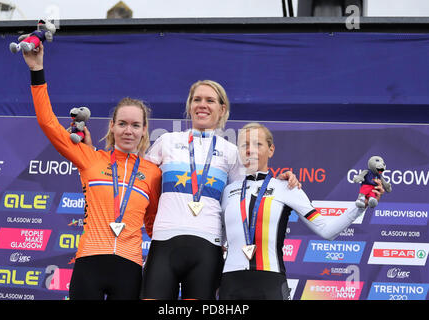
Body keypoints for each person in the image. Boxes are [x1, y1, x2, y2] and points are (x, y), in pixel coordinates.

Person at [22, 43, 162, 300]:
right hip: (89, 264)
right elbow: (47, 122)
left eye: (135, 125)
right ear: (112, 126)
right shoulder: (90, 158)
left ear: (144, 130)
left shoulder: (152, 173)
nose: (128, 131)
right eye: (122, 124)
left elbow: (155, 227)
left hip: (130, 267)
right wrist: (37, 69)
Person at [140, 81, 300, 300]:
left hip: (208, 248)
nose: (202, 105)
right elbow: (140, 183)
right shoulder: (166, 141)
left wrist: (282, 181)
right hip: (163, 244)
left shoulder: (231, 151)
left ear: (222, 109)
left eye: (210, 100)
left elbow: (250, 192)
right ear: (189, 106)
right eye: (197, 99)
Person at [219, 123, 385, 300]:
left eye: (257, 144)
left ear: (271, 149)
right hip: (231, 283)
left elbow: (327, 230)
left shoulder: (287, 187)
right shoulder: (228, 191)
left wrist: (360, 206)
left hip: (270, 283)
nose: (250, 150)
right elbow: (218, 238)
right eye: (244, 145)